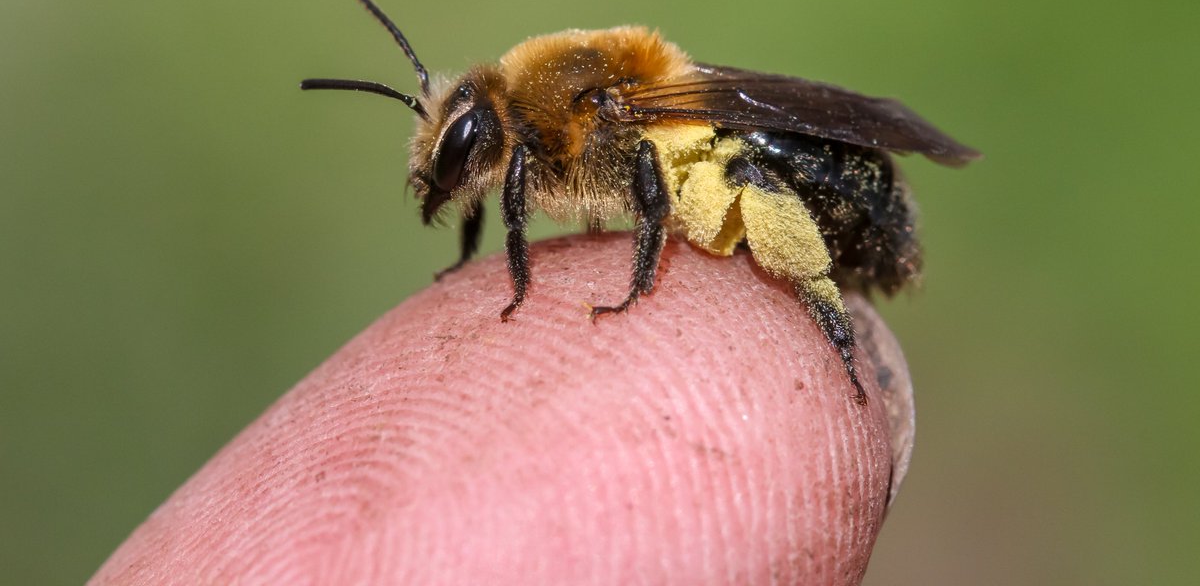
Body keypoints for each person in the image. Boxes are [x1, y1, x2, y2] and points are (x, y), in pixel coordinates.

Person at [90, 234, 913, 586]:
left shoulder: (596, 121)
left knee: (744, 188)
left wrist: (630, 283)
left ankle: (832, 329)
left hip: (791, 175)